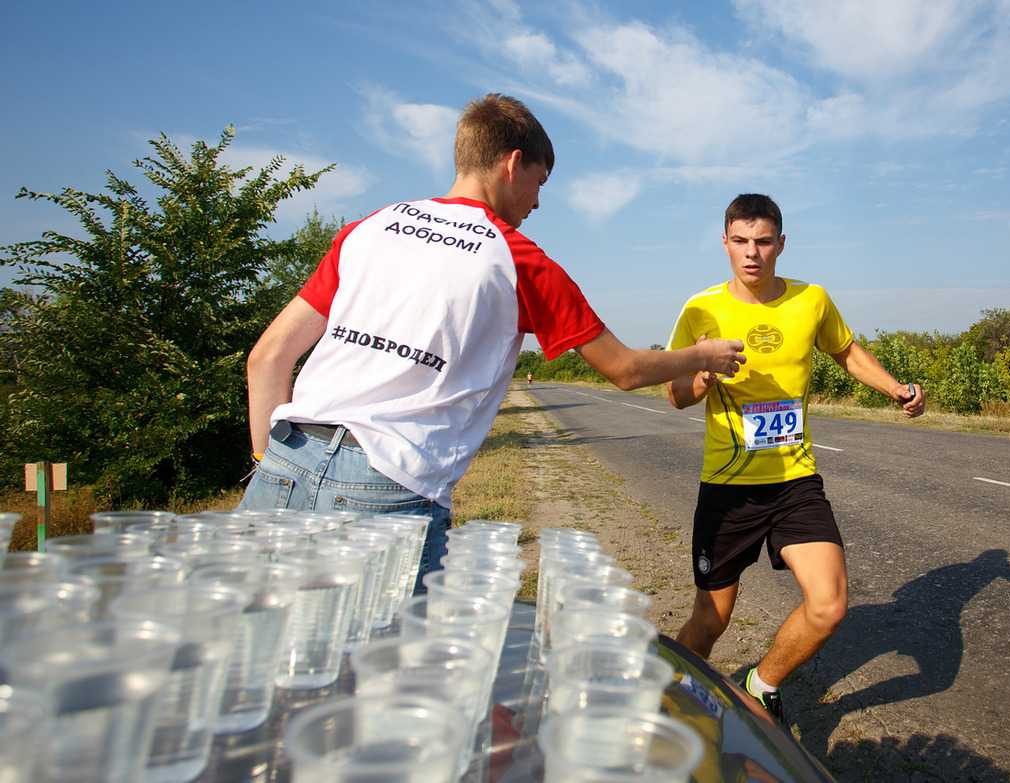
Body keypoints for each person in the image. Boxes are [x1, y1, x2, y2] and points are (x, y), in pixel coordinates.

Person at [240, 94, 746, 589]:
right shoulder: (518, 258)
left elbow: (268, 358)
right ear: (513, 163)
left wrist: (271, 465)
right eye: (539, 182)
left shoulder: (367, 230)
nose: (538, 201)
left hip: (287, 458)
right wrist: (702, 354)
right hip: (387, 484)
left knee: (257, 656)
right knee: (378, 670)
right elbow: (625, 369)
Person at [667, 193, 924, 723]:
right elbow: (673, 393)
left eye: (763, 242)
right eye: (740, 241)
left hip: (795, 481)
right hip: (728, 487)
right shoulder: (701, 309)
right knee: (711, 621)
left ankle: (760, 684)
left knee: (829, 605)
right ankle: (664, 698)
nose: (751, 253)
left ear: (781, 243)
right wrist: (701, 377)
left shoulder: (813, 300)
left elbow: (846, 351)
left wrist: (896, 388)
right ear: (725, 243)